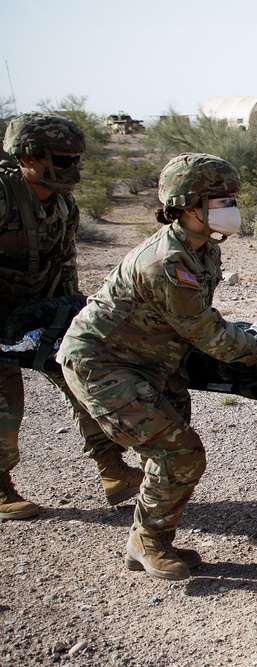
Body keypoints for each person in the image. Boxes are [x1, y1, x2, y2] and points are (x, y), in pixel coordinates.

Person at [57, 153, 257, 580]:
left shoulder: (201, 248)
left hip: (150, 363)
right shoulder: (167, 262)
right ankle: (148, 544)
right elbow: (209, 334)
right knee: (179, 453)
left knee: (173, 450)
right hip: (102, 365)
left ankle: (151, 536)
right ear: (189, 205)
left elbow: (197, 319)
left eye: (231, 198)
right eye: (221, 199)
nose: (232, 207)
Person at [0, 112, 144, 520]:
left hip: (35, 311)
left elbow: (63, 264)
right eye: (62, 160)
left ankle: (112, 470)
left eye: (76, 159)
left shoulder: (63, 204)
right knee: (5, 402)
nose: (73, 168)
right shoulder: (3, 196)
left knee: (81, 376)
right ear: (28, 157)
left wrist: (71, 320)